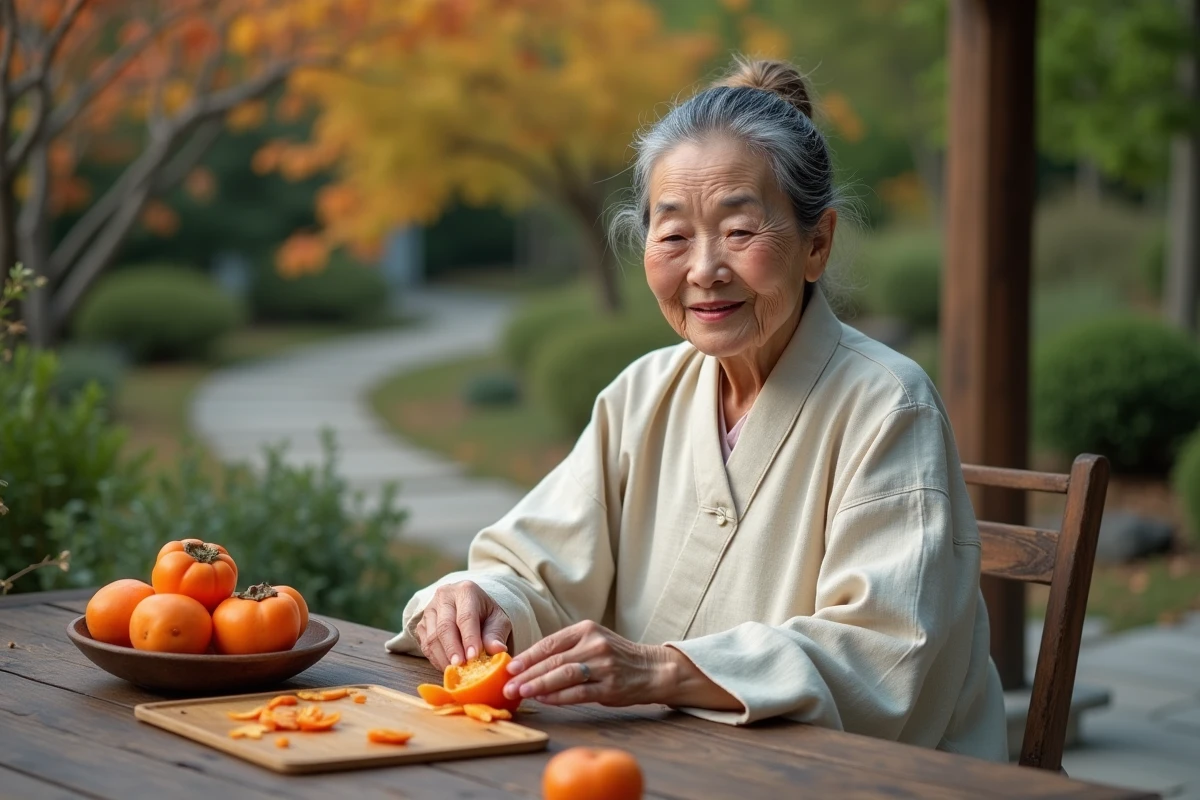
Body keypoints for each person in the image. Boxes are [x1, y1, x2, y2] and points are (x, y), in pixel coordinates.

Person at [386, 57, 1008, 761]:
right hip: (670, 767)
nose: (704, 269)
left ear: (817, 243)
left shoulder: (888, 405)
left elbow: (886, 650)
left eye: (740, 232)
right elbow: (538, 567)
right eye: (675, 235)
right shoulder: (643, 393)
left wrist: (663, 670)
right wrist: (480, 602)